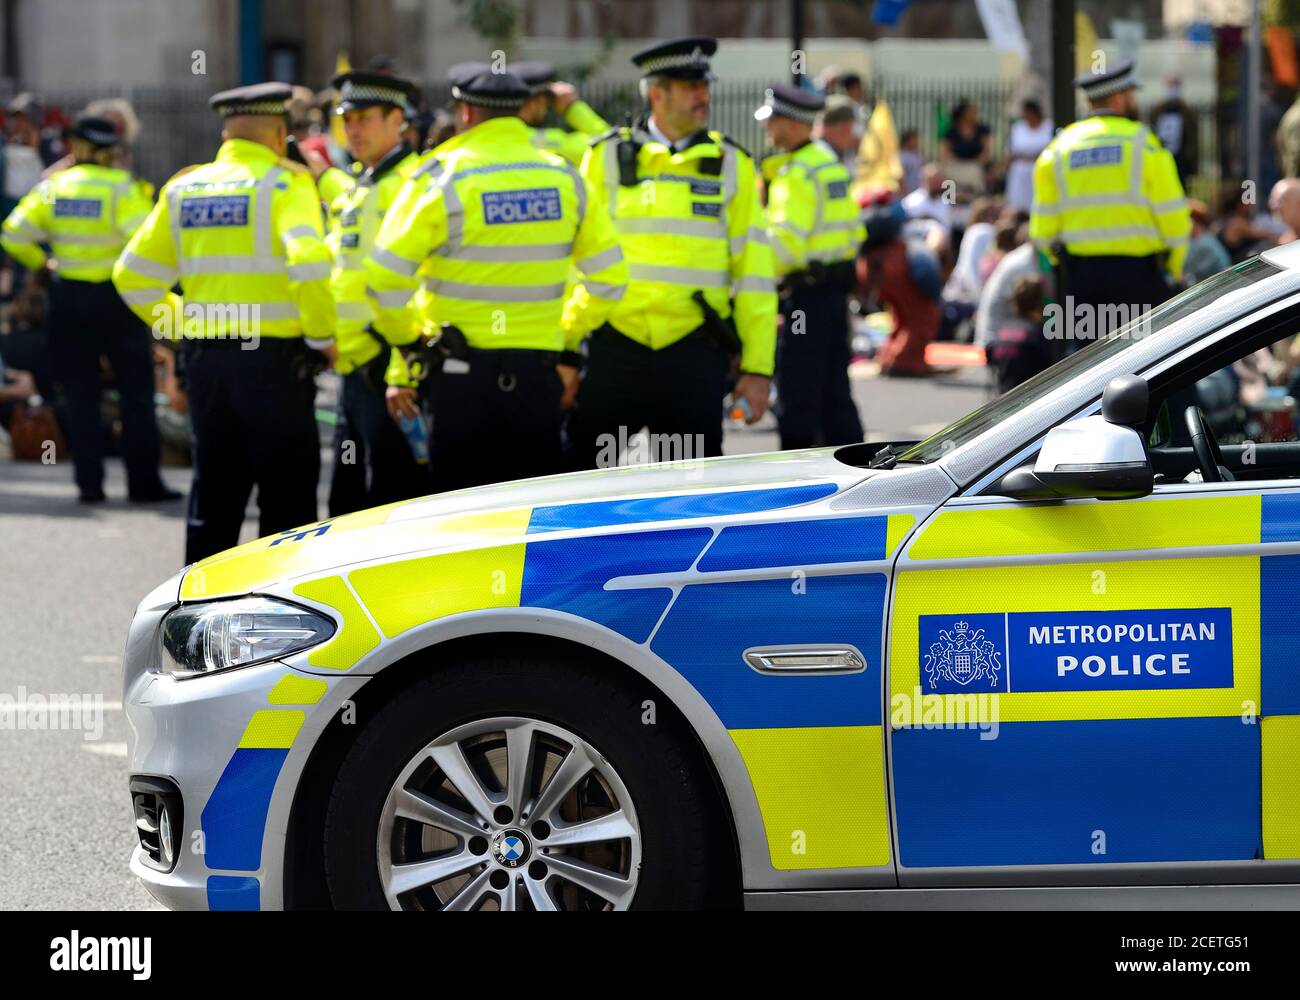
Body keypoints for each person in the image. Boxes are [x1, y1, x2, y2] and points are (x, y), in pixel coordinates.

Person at [367, 64, 627, 492]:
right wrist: (564, 334)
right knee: (530, 517)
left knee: (459, 520)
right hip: (537, 379)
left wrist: (411, 345)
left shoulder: (440, 177)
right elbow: (610, 280)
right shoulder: (564, 177)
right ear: (523, 111)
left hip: (456, 378)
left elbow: (383, 278)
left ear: (466, 113)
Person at [113, 82, 336, 563]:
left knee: (213, 501)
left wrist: (184, 322)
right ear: (279, 132)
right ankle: (287, 628)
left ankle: (195, 624)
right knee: (288, 509)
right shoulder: (286, 183)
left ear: (225, 132)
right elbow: (311, 262)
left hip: (208, 365)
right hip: (277, 368)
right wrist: (323, 337)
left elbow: (131, 276)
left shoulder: (184, 187)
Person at [566, 37, 776, 467]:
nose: (704, 96)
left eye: (705, 86)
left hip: (693, 355)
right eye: (690, 86)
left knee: (690, 489)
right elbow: (575, 263)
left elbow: (754, 272)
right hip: (613, 349)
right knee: (581, 483)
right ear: (657, 93)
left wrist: (757, 368)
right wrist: (565, 352)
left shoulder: (731, 162)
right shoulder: (603, 157)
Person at [1, 114, 176, 503]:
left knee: (80, 395)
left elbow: (13, 233)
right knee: (135, 393)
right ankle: (143, 484)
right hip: (116, 300)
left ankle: (89, 485)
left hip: (69, 301)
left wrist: (41, 263)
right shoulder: (121, 187)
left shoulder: (54, 187)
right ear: (110, 151)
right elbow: (145, 240)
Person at [323, 70, 430, 516]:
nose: (352, 129)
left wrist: (400, 370)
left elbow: (422, 282)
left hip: (388, 365)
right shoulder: (360, 184)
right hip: (353, 365)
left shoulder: (415, 182)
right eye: (347, 119)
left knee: (390, 502)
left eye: (364, 118)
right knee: (347, 500)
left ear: (397, 120)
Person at [1029, 61, 1191, 346]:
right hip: (1138, 281)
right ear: (1118, 98)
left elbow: (1042, 231)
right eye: (1131, 95)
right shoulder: (1146, 144)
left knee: (1087, 370)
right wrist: (1173, 269)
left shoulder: (1058, 150)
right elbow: (1175, 221)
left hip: (1081, 281)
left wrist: (1061, 264)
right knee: (1142, 368)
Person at [756, 83, 865, 450]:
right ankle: (857, 469)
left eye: (771, 121)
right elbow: (854, 231)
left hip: (805, 297)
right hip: (833, 294)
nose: (766, 128)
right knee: (835, 391)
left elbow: (783, 245)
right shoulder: (828, 165)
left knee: (797, 392)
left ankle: (797, 481)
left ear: (789, 123)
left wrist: (752, 279)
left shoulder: (797, 173)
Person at [510, 61, 611, 165]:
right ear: (533, 102)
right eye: (546, 99)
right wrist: (572, 107)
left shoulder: (498, 136)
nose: (546, 107)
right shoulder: (550, 141)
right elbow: (607, 145)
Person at [1003, 99, 1053, 213]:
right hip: (1019, 174)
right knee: (1018, 207)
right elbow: (1010, 152)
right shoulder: (1018, 128)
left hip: (1040, 170)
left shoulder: (1048, 126)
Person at [1150, 77, 1198, 186]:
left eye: (1175, 86)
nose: (1173, 90)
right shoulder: (1158, 111)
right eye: (1170, 86)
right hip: (1162, 158)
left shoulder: (1186, 111)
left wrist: (1191, 163)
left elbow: (1191, 139)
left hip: (1180, 160)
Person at [939, 99, 990, 196]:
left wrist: (978, 162)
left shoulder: (982, 129)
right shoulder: (951, 130)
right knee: (951, 189)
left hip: (975, 167)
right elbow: (945, 151)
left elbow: (986, 151)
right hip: (955, 167)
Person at [814, 95, 859, 175]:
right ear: (844, 128)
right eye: (851, 129)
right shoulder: (825, 157)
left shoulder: (840, 151)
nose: (853, 136)